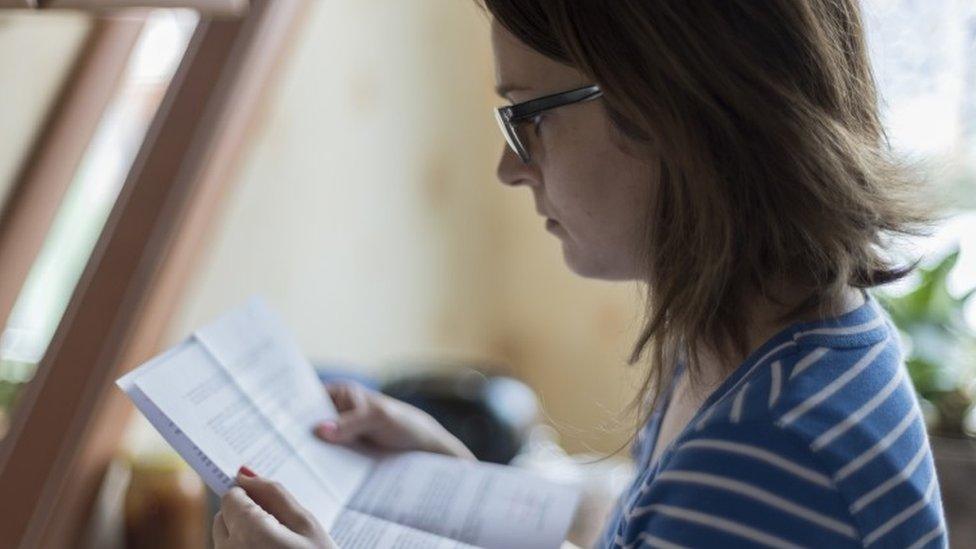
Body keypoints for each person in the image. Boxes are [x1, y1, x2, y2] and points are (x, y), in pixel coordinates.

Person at [212, 2, 948, 547]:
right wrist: (453, 478)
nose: (510, 167)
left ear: (667, 108)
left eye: (527, 115)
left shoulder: (769, 451)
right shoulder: (757, 345)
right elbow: (636, 525)